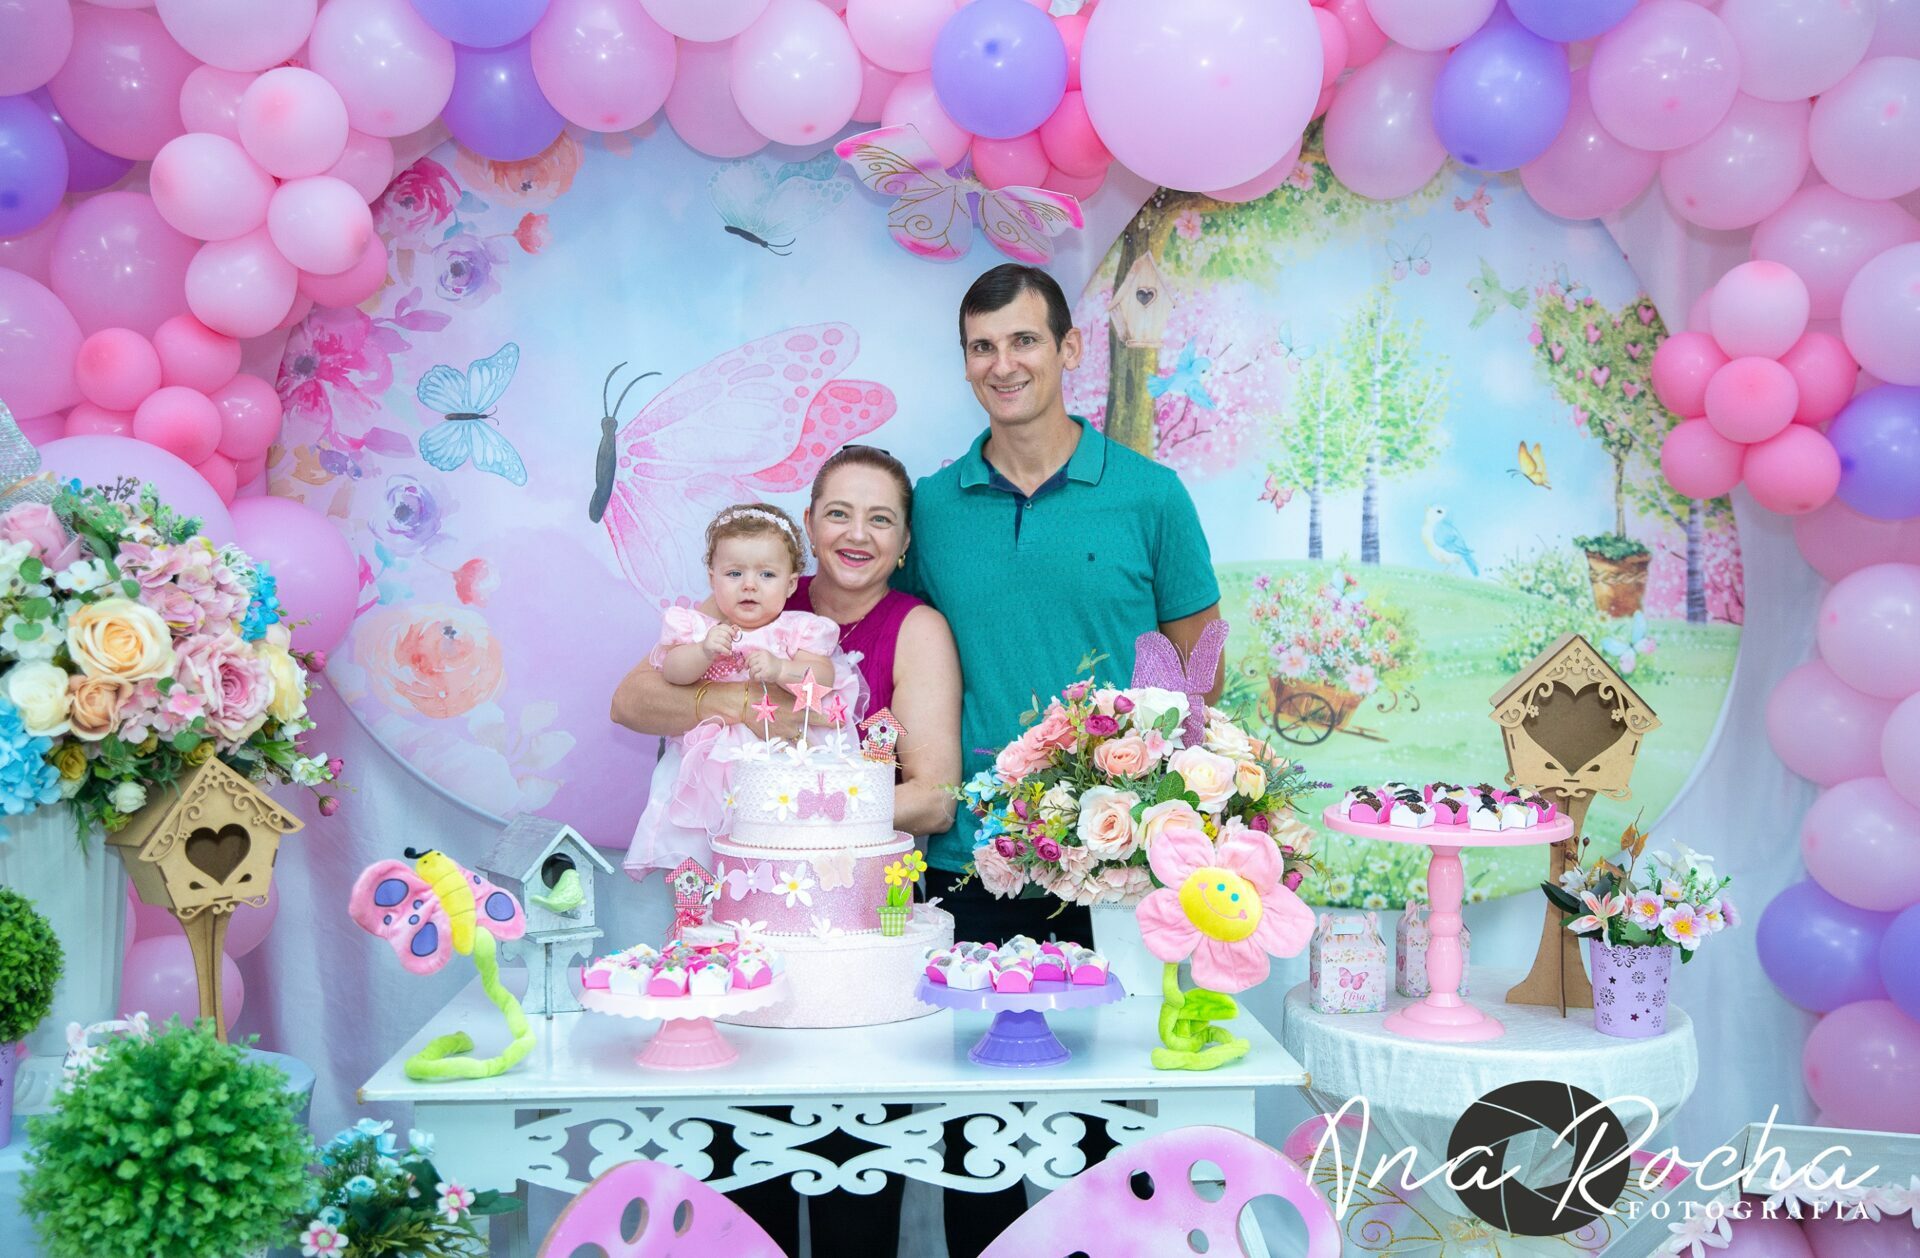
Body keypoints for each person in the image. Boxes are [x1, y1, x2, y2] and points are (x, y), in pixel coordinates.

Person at [896, 262, 1224, 1258]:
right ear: (966, 362)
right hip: (973, 860)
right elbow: (901, 647)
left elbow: (1200, 664)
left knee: (1111, 1132)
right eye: (982, 347)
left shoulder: (1150, 496)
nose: (1004, 364)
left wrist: (1166, 798)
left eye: (1025, 340)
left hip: (1119, 868)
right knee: (977, 1138)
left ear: (1070, 348)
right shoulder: (932, 506)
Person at [609, 446, 962, 1254]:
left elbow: (934, 796)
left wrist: (790, 818)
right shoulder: (756, 590)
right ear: (807, 525)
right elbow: (632, 699)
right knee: (739, 1158)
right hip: (745, 925)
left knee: (853, 1167)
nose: (857, 534)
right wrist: (744, 702)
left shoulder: (914, 627)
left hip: (848, 926)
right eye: (838, 513)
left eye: (881, 519)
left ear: (904, 542)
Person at [623, 502, 855, 881]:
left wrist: (781, 669)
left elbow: (822, 676)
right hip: (707, 764)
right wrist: (701, 652)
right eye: (734, 573)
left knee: (773, 845)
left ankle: (766, 892)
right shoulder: (699, 628)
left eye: (767, 574)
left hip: (776, 759)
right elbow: (673, 673)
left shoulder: (797, 630)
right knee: (696, 845)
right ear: (712, 578)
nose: (749, 584)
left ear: (791, 583)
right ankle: (697, 901)